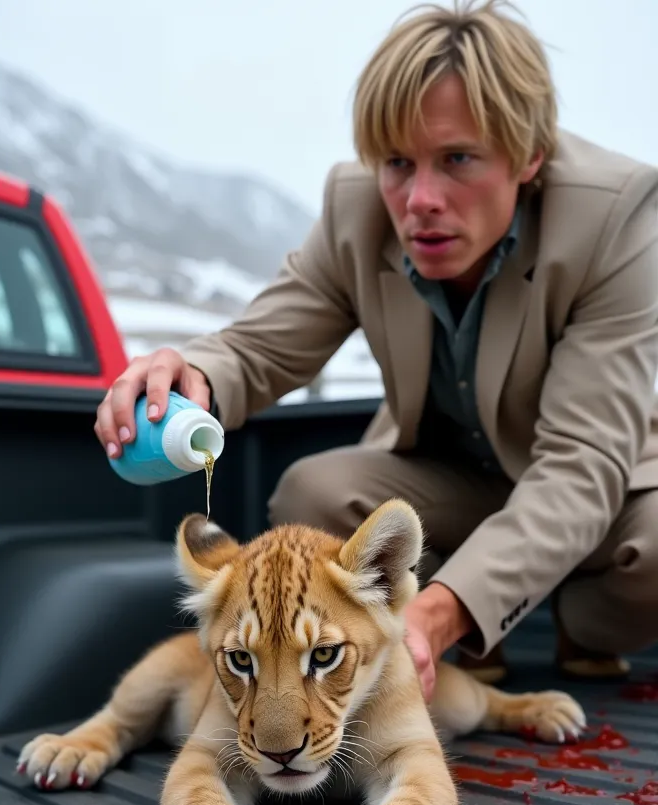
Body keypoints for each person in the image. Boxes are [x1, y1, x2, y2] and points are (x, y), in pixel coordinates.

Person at [95, 0, 658, 701]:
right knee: (314, 493)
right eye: (397, 162)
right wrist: (193, 374)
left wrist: (440, 611)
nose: (419, 199)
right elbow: (261, 345)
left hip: (601, 495)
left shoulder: (618, 214)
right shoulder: (356, 207)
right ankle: (479, 613)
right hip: (449, 484)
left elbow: (580, 467)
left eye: (457, 159)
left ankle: (570, 623)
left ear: (530, 156)